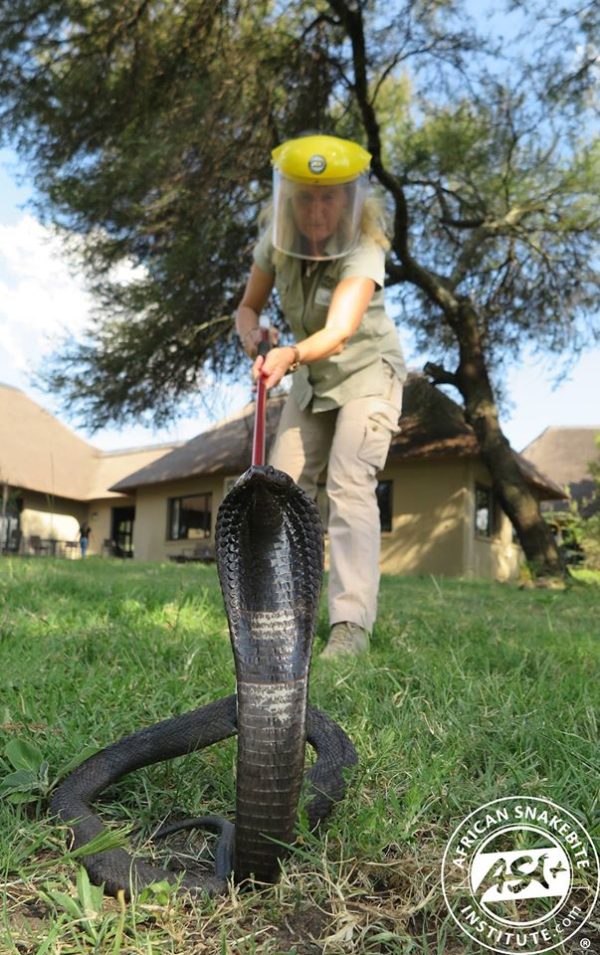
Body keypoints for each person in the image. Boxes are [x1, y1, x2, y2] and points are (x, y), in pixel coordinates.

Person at [235, 133, 407, 657]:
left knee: (350, 483)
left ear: (349, 200)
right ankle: (280, 617)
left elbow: (339, 331)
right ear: (288, 199)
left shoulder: (365, 246)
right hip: (312, 381)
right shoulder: (276, 243)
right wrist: (255, 338)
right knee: (280, 488)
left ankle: (350, 627)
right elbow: (247, 308)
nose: (316, 210)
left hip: (367, 373)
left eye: (328, 197)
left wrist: (287, 355)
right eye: (305, 198)